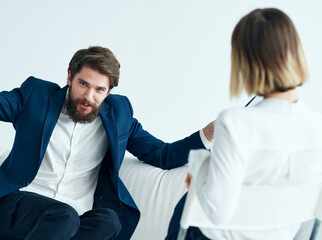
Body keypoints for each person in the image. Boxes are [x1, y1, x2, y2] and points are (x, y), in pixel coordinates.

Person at [0, 46, 214, 240]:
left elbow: (162, 154)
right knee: (64, 216)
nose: (88, 96)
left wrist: (211, 132)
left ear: (109, 92)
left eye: (99, 90)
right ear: (69, 77)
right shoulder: (36, 95)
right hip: (18, 206)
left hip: (76, 219)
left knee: (109, 221)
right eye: (83, 84)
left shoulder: (119, 116)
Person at [166, 8, 322, 240]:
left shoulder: (235, 123)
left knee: (187, 205)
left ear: (246, 62)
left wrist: (199, 172)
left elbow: (217, 212)